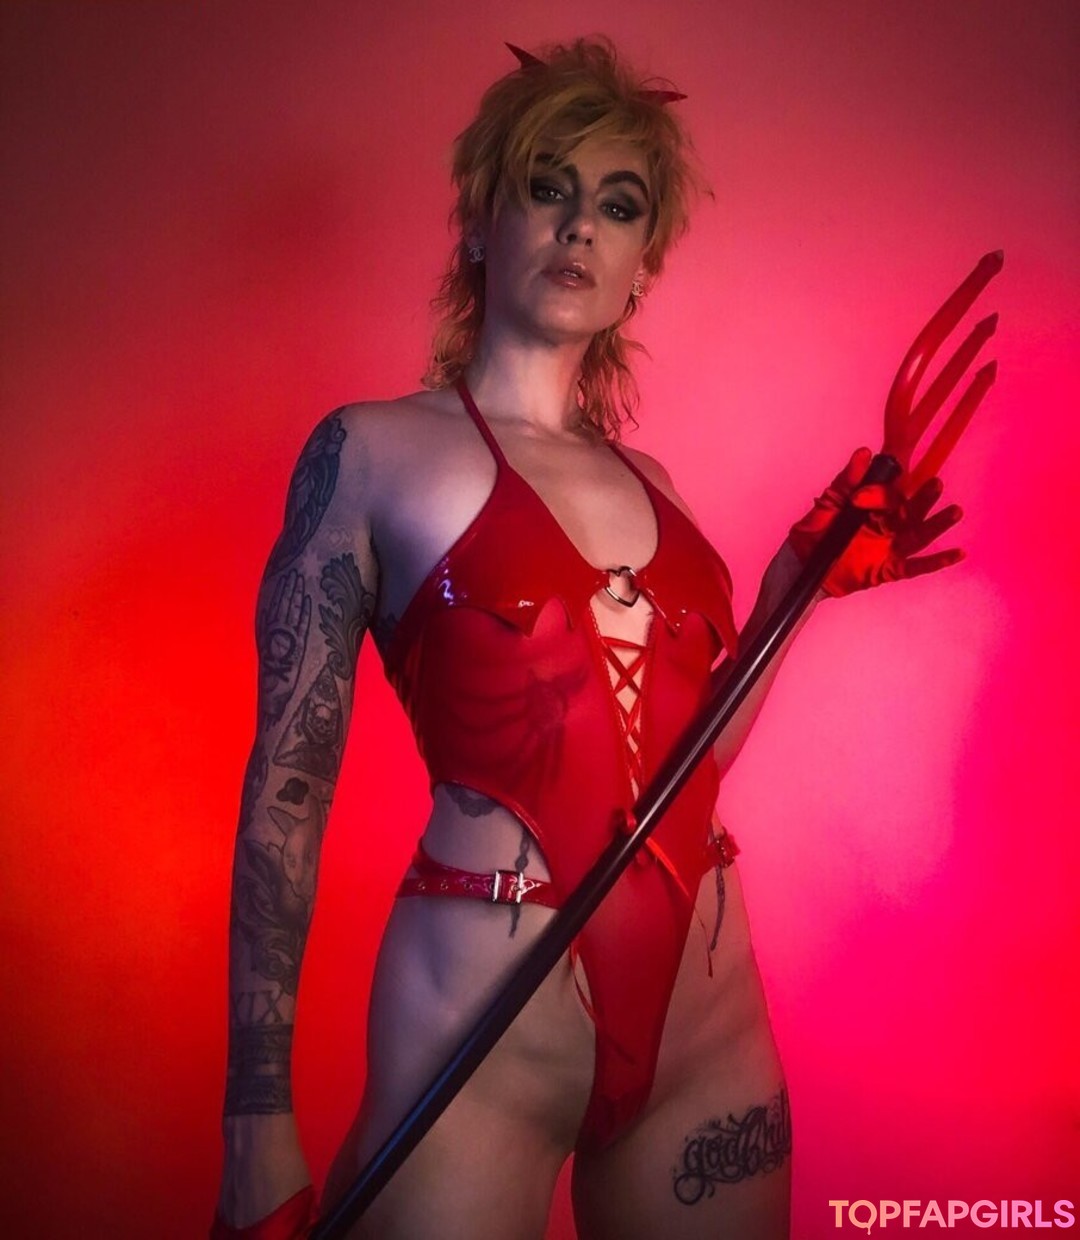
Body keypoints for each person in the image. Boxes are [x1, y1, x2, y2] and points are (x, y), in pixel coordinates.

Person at [213, 37, 965, 1240]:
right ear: (479, 223)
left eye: (618, 206)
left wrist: (794, 590)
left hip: (707, 1038)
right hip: (479, 1043)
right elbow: (287, 793)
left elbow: (685, 765)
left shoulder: (656, 484)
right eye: (547, 188)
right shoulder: (369, 452)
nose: (579, 227)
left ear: (639, 268)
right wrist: (256, 1122)